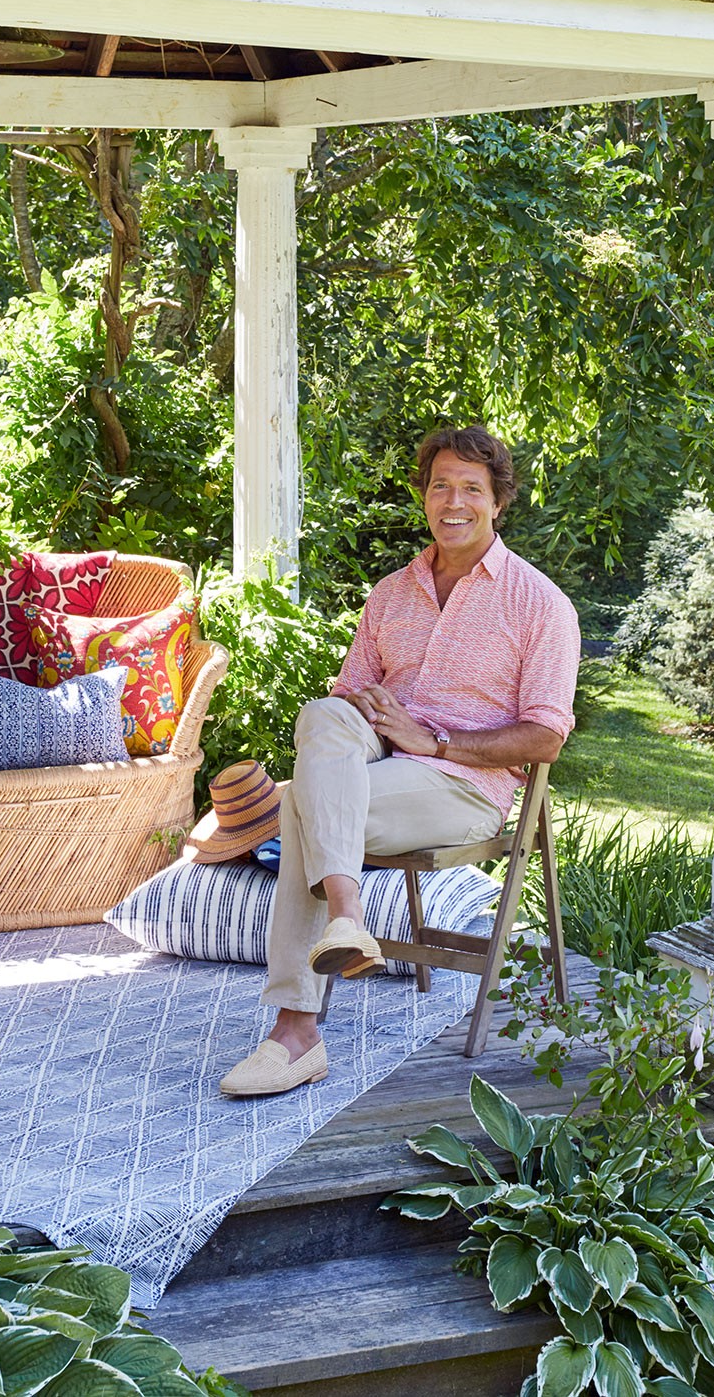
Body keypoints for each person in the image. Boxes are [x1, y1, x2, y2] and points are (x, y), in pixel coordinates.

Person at [218, 425, 580, 1098]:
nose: (454, 501)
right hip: (378, 760)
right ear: (424, 496)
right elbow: (346, 698)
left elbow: (546, 738)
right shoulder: (391, 592)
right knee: (321, 717)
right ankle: (347, 919)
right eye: (440, 484)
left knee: (300, 802)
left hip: (464, 783)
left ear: (498, 501)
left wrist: (432, 740)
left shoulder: (540, 604)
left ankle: (296, 1029)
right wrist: (371, 710)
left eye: (471, 488)